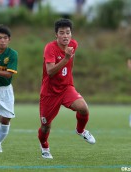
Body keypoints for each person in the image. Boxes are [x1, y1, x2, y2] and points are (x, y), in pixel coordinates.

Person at [38, 19, 96, 159]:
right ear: (56, 35)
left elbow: (71, 62)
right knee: (46, 126)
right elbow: (50, 71)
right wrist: (66, 59)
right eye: (62, 33)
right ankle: (45, 147)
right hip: (49, 93)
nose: (65, 36)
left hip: (66, 88)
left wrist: (69, 79)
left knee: (83, 108)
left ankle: (80, 130)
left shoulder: (73, 44)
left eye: (68, 33)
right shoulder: (50, 48)